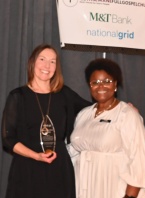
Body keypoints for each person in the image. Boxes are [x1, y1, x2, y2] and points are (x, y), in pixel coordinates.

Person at [1, 44, 91, 198]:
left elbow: (94, 109)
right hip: (27, 169)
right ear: (32, 63)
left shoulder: (65, 94)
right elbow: (8, 139)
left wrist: (122, 107)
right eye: (42, 59)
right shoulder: (18, 96)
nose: (47, 66)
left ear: (56, 67)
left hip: (59, 169)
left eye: (52, 61)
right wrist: (35, 155)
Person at [67, 58, 145, 198]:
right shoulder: (83, 115)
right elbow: (72, 151)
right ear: (90, 87)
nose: (101, 86)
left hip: (115, 188)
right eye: (95, 82)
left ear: (115, 84)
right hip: (86, 187)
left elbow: (139, 160)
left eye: (106, 81)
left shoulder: (127, 115)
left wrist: (130, 197)